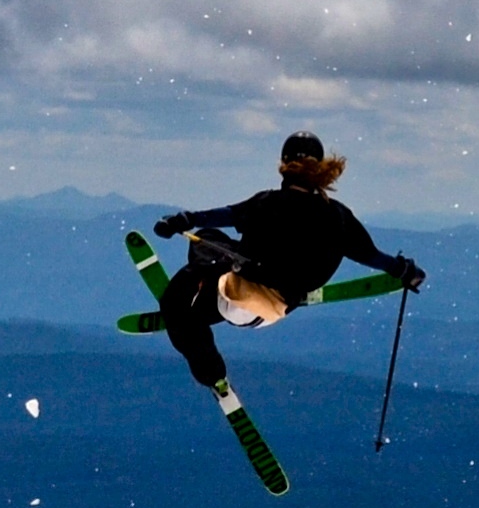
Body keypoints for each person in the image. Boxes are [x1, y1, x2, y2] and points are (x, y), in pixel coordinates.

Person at [150, 133, 425, 389]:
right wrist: (403, 270)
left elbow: (223, 215)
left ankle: (210, 371)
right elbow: (370, 255)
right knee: (215, 242)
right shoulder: (339, 218)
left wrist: (184, 220)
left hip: (236, 303)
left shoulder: (267, 203)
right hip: (277, 309)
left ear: (284, 163)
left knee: (181, 296)